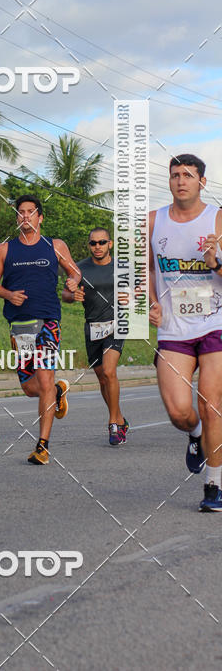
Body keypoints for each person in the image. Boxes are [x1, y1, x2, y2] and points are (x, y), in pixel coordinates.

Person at [149, 154, 222, 512]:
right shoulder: (153, 221)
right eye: (176, 175)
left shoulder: (218, 219)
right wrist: (149, 302)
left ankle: (214, 484)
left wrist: (216, 263)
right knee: (180, 412)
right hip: (173, 328)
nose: (181, 181)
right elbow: (143, 271)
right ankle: (195, 437)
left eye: (189, 175)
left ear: (202, 182)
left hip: (215, 324)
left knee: (211, 406)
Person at [0, 195, 81, 465]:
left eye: (31, 212)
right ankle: (56, 391)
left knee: (42, 381)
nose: (25, 216)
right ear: (17, 218)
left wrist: (73, 283)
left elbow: (74, 272)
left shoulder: (55, 246)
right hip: (20, 325)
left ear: (40, 217)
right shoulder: (5, 249)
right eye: (21, 213)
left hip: (48, 321)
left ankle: (42, 445)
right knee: (31, 388)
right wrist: (8, 294)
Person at [62, 228, 129, 445]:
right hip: (93, 326)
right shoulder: (79, 268)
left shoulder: (122, 266)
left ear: (110, 244)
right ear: (89, 245)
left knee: (110, 371)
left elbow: (140, 289)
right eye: (93, 243)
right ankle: (120, 418)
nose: (97, 247)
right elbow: (65, 294)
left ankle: (112, 423)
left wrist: (130, 295)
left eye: (102, 242)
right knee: (102, 377)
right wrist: (72, 295)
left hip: (117, 324)